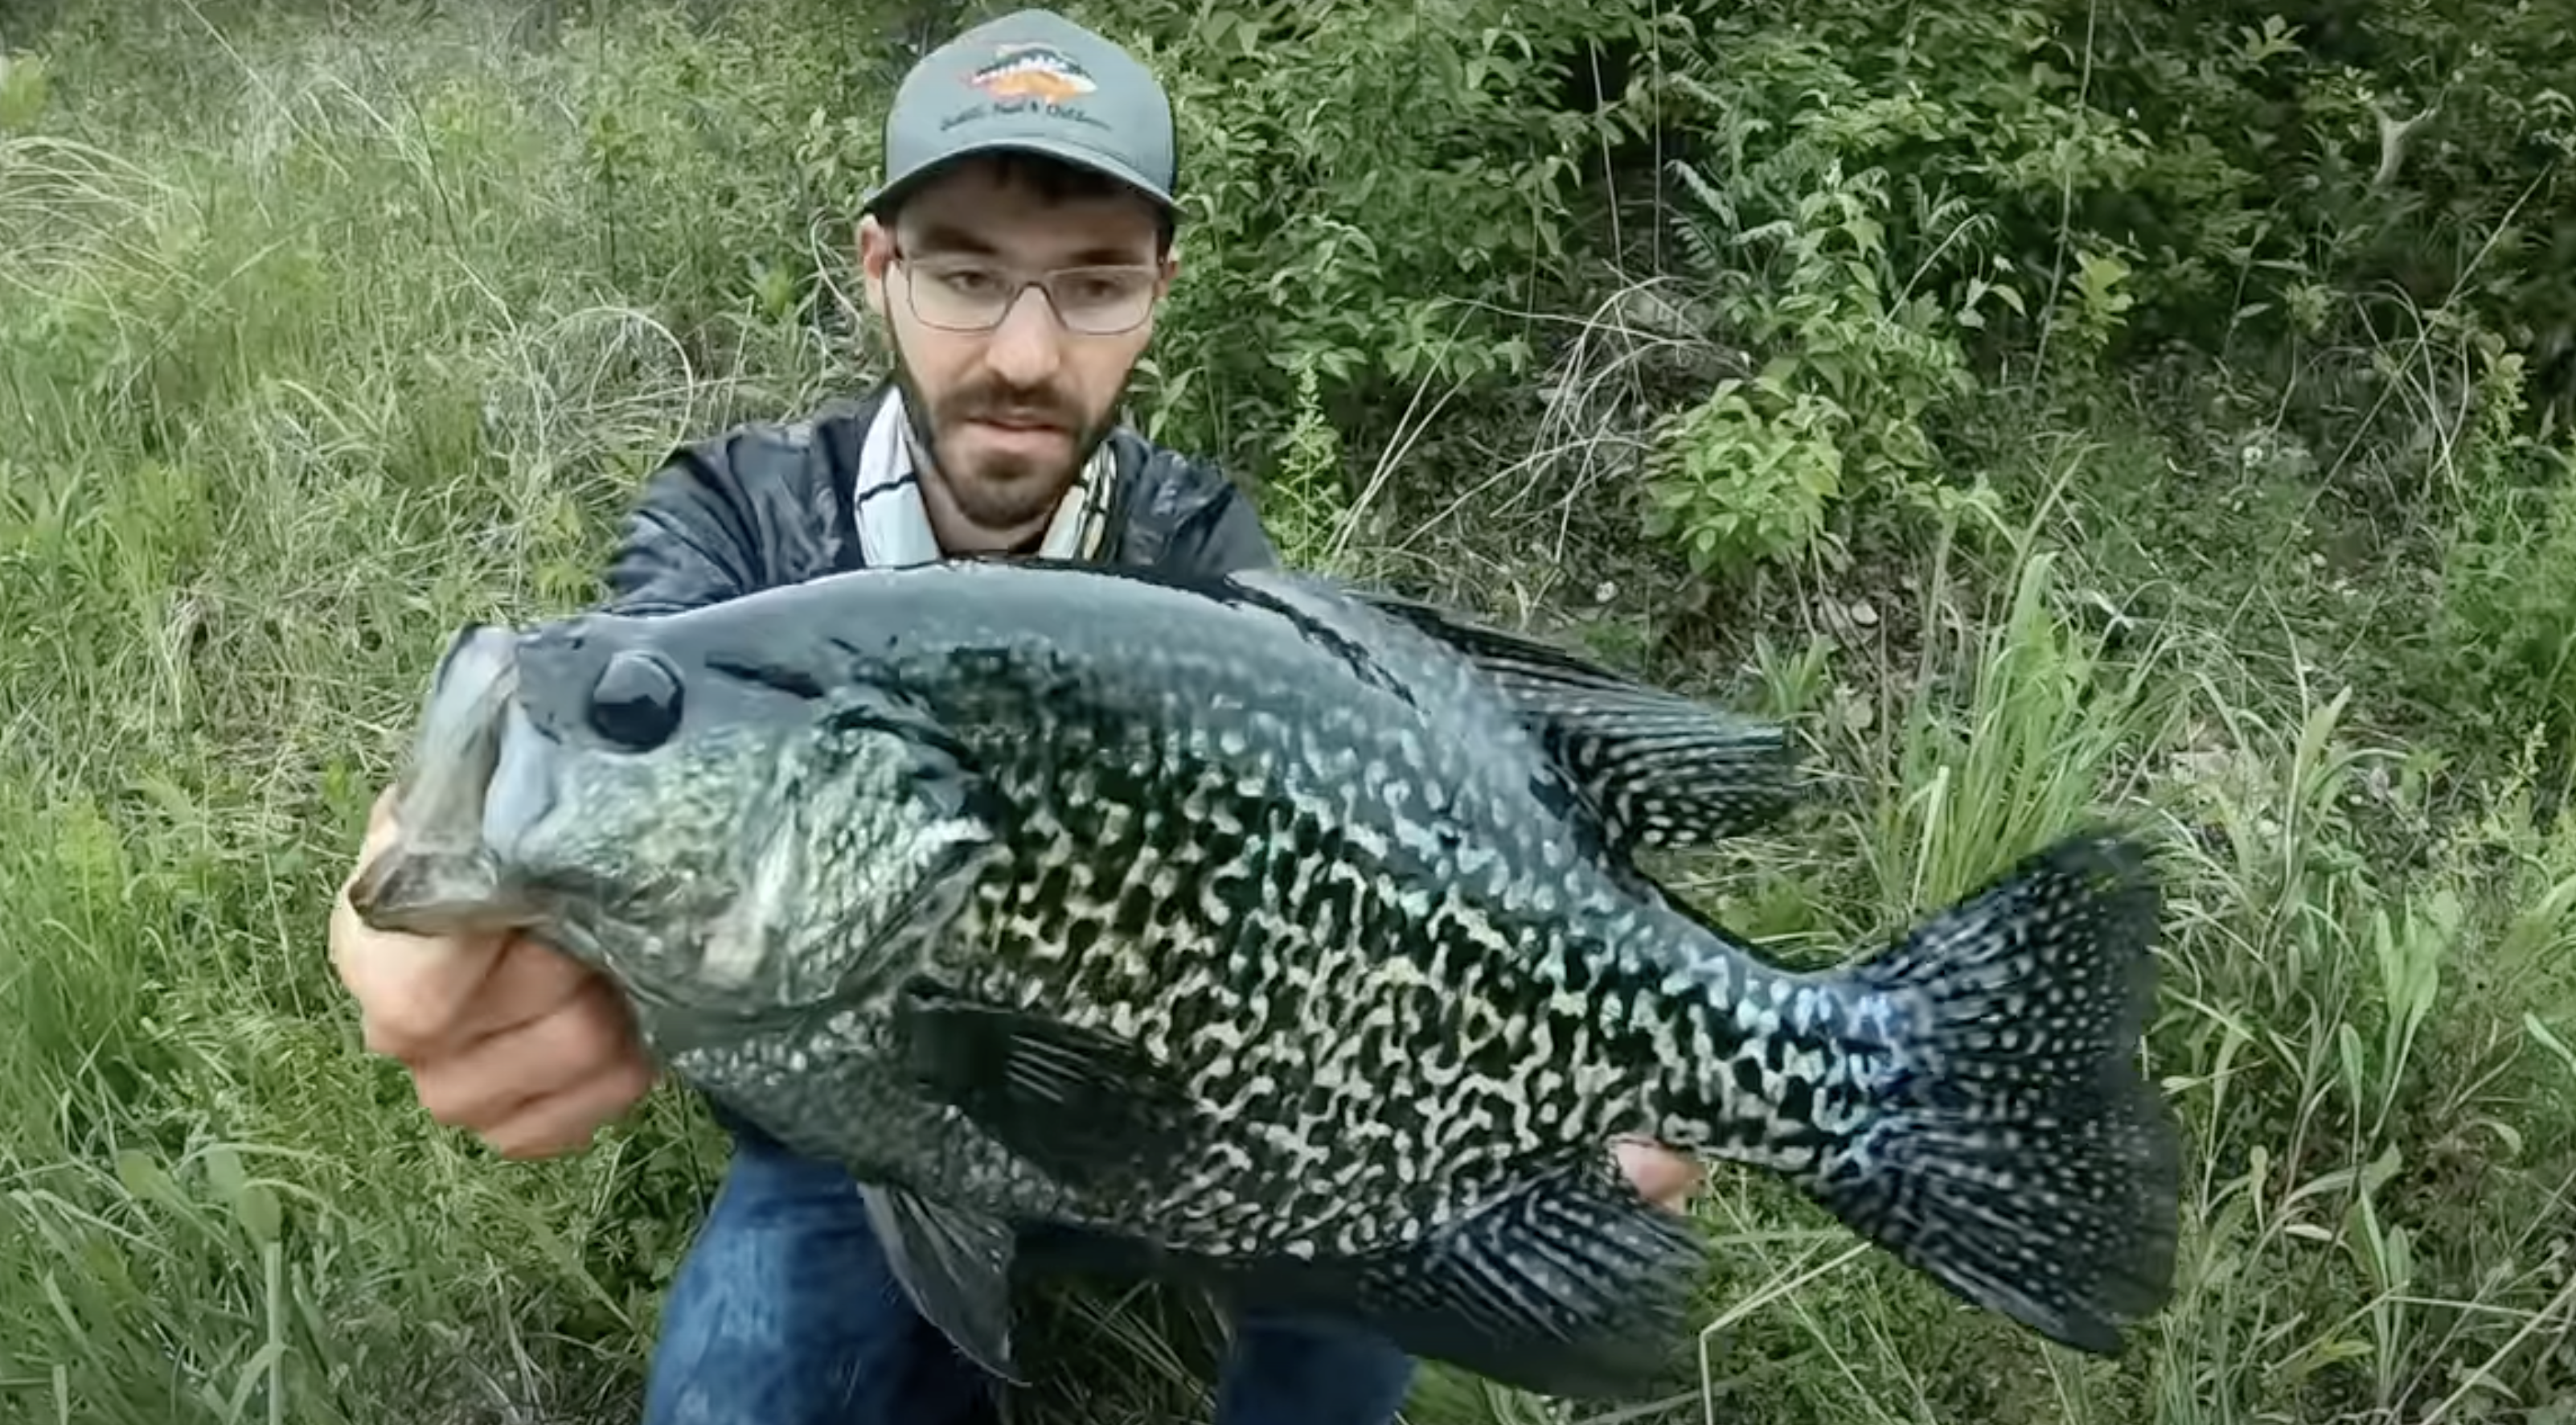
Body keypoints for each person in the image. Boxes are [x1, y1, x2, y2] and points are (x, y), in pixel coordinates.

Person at [326, 9, 1704, 1423]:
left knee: (1375, 1249)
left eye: (1094, 286)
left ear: (1159, 293)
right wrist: (412, 879)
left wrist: (1564, 1080)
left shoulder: (1197, 551)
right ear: (882, 269)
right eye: (969, 276)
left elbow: (1386, 841)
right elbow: (624, 695)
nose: (1028, 355)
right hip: (854, 1149)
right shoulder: (741, 520)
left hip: (1191, 1134)